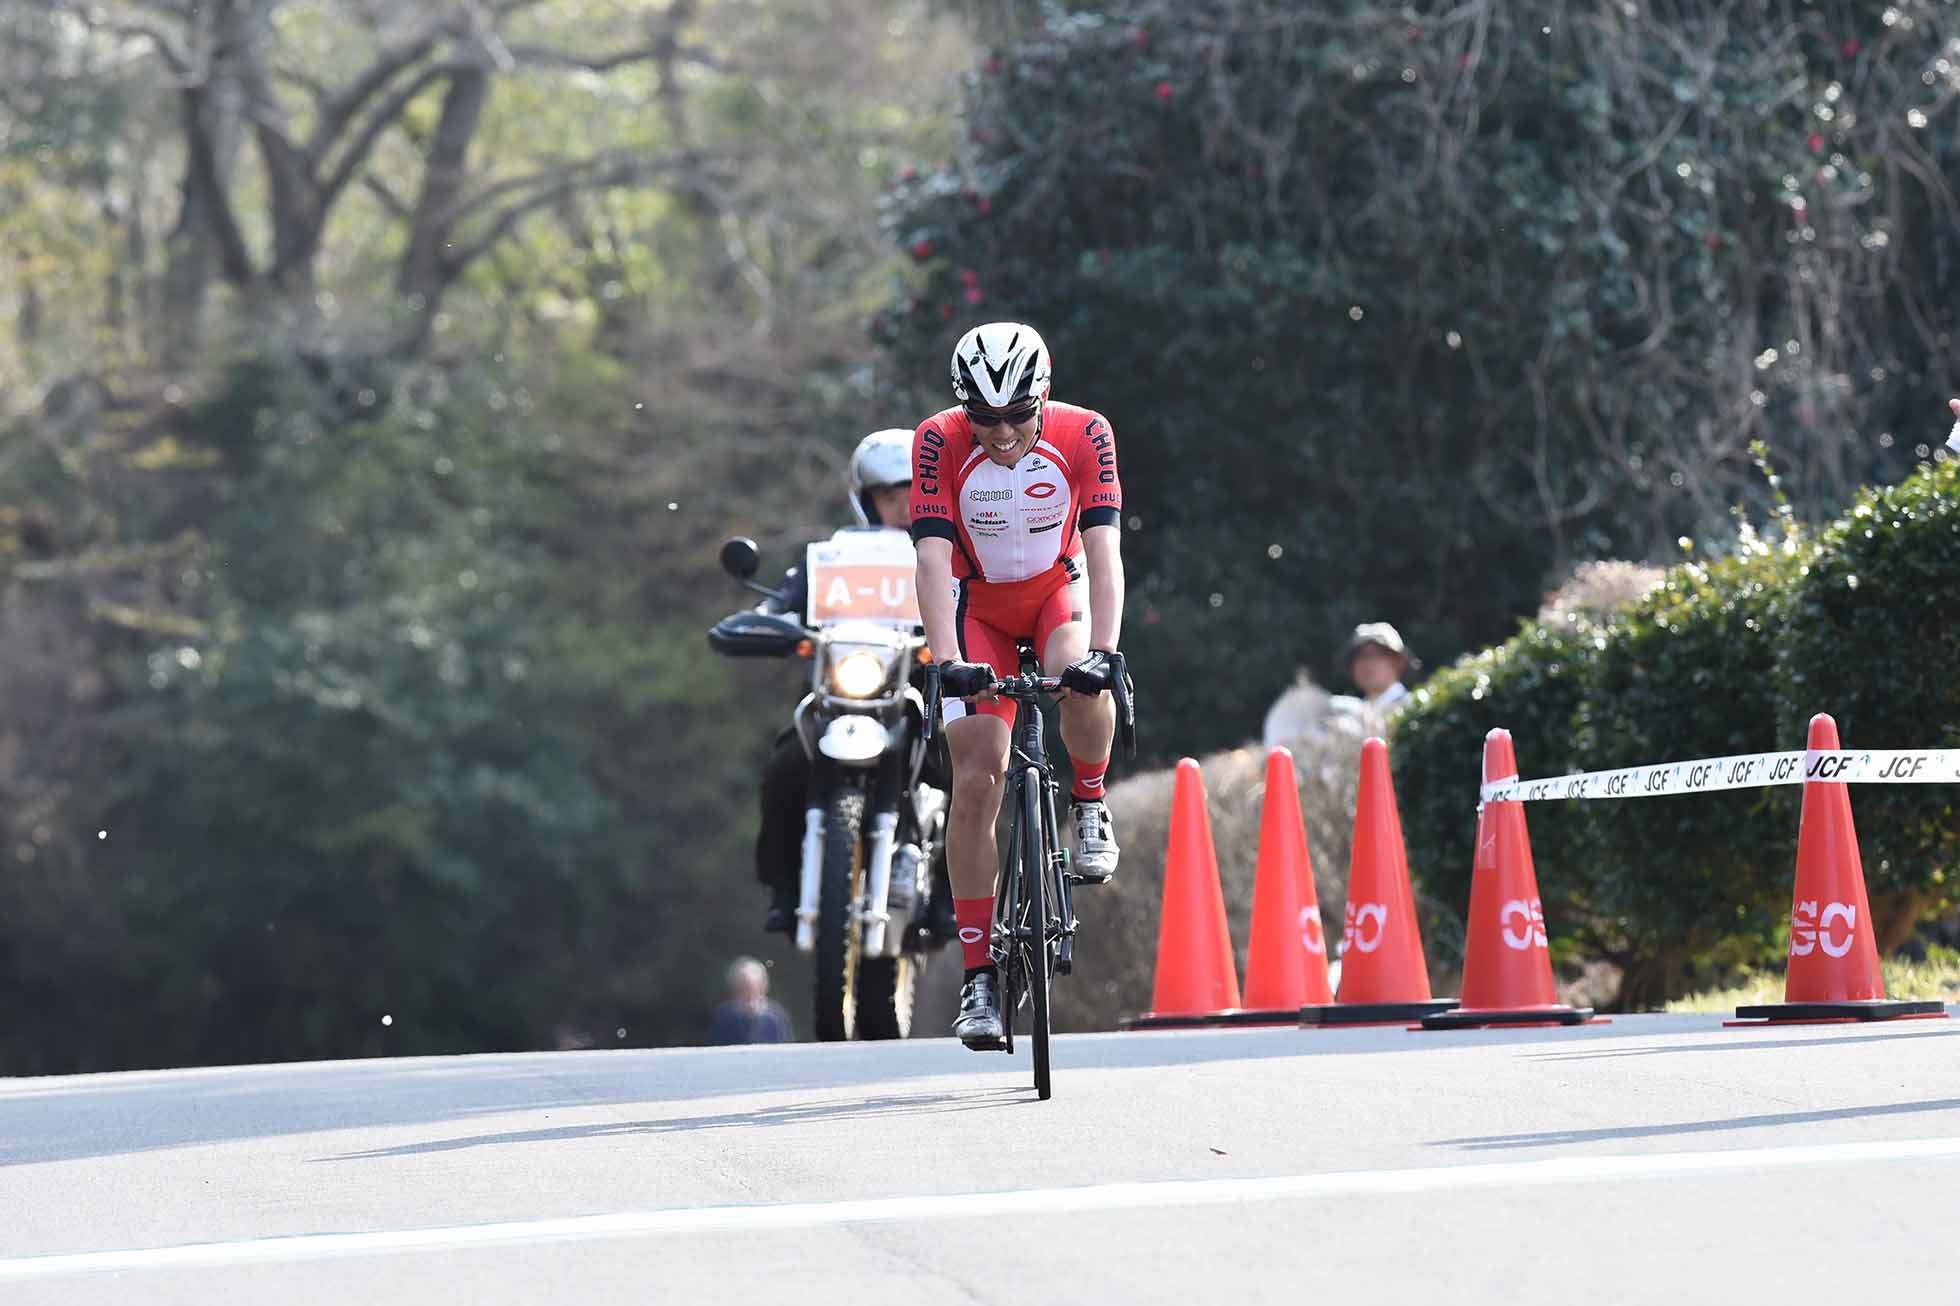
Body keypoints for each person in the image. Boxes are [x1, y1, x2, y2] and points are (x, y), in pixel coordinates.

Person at [909, 321, 1127, 1049]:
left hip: (1054, 594)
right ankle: (978, 979)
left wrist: (1106, 651)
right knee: (976, 782)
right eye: (985, 417)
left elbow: (1104, 551)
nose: (1001, 433)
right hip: (978, 612)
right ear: (962, 406)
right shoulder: (938, 439)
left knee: (1081, 679)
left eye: (1017, 415)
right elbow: (933, 564)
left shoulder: (1086, 432)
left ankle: (1090, 801)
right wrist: (944, 660)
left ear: (1044, 397)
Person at [750, 428, 956, 941]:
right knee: (783, 764)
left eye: (915, 492)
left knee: (973, 771)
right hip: (838, 702)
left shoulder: (951, 556)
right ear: (867, 501)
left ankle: (953, 903)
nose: (906, 506)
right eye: (891, 496)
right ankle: (785, 888)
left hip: (922, 699)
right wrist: (760, 620)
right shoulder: (834, 559)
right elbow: (780, 603)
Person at [706, 956, 793, 1044]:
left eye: (751, 987)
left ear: (763, 987)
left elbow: (786, 1049)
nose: (747, 993)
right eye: (741, 986)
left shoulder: (775, 1017)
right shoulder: (723, 1017)